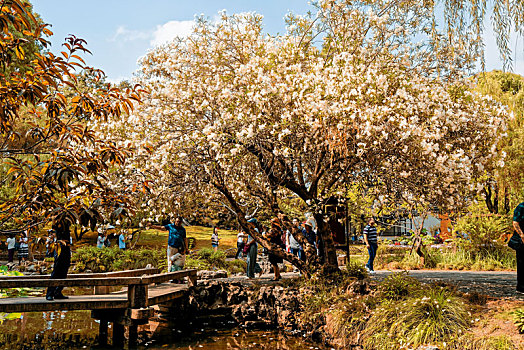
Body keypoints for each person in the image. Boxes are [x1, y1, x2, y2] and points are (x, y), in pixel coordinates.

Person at [46, 218, 72, 301]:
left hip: (67, 248)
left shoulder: (67, 223)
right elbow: (54, 226)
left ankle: (58, 292)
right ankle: (49, 293)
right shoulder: (57, 223)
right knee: (56, 271)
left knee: (64, 271)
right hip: (59, 248)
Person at [512, 202, 524, 293]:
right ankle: (521, 287)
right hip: (522, 240)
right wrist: (522, 235)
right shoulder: (521, 207)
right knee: (522, 263)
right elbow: (515, 222)